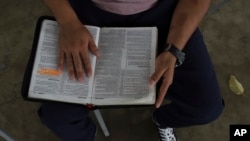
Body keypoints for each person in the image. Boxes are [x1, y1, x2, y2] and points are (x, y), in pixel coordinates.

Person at [38, 0, 224, 141]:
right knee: (57, 117)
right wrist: (68, 22)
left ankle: (162, 119)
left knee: (206, 108)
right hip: (84, 13)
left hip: (166, 12)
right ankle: (88, 136)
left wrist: (174, 49)